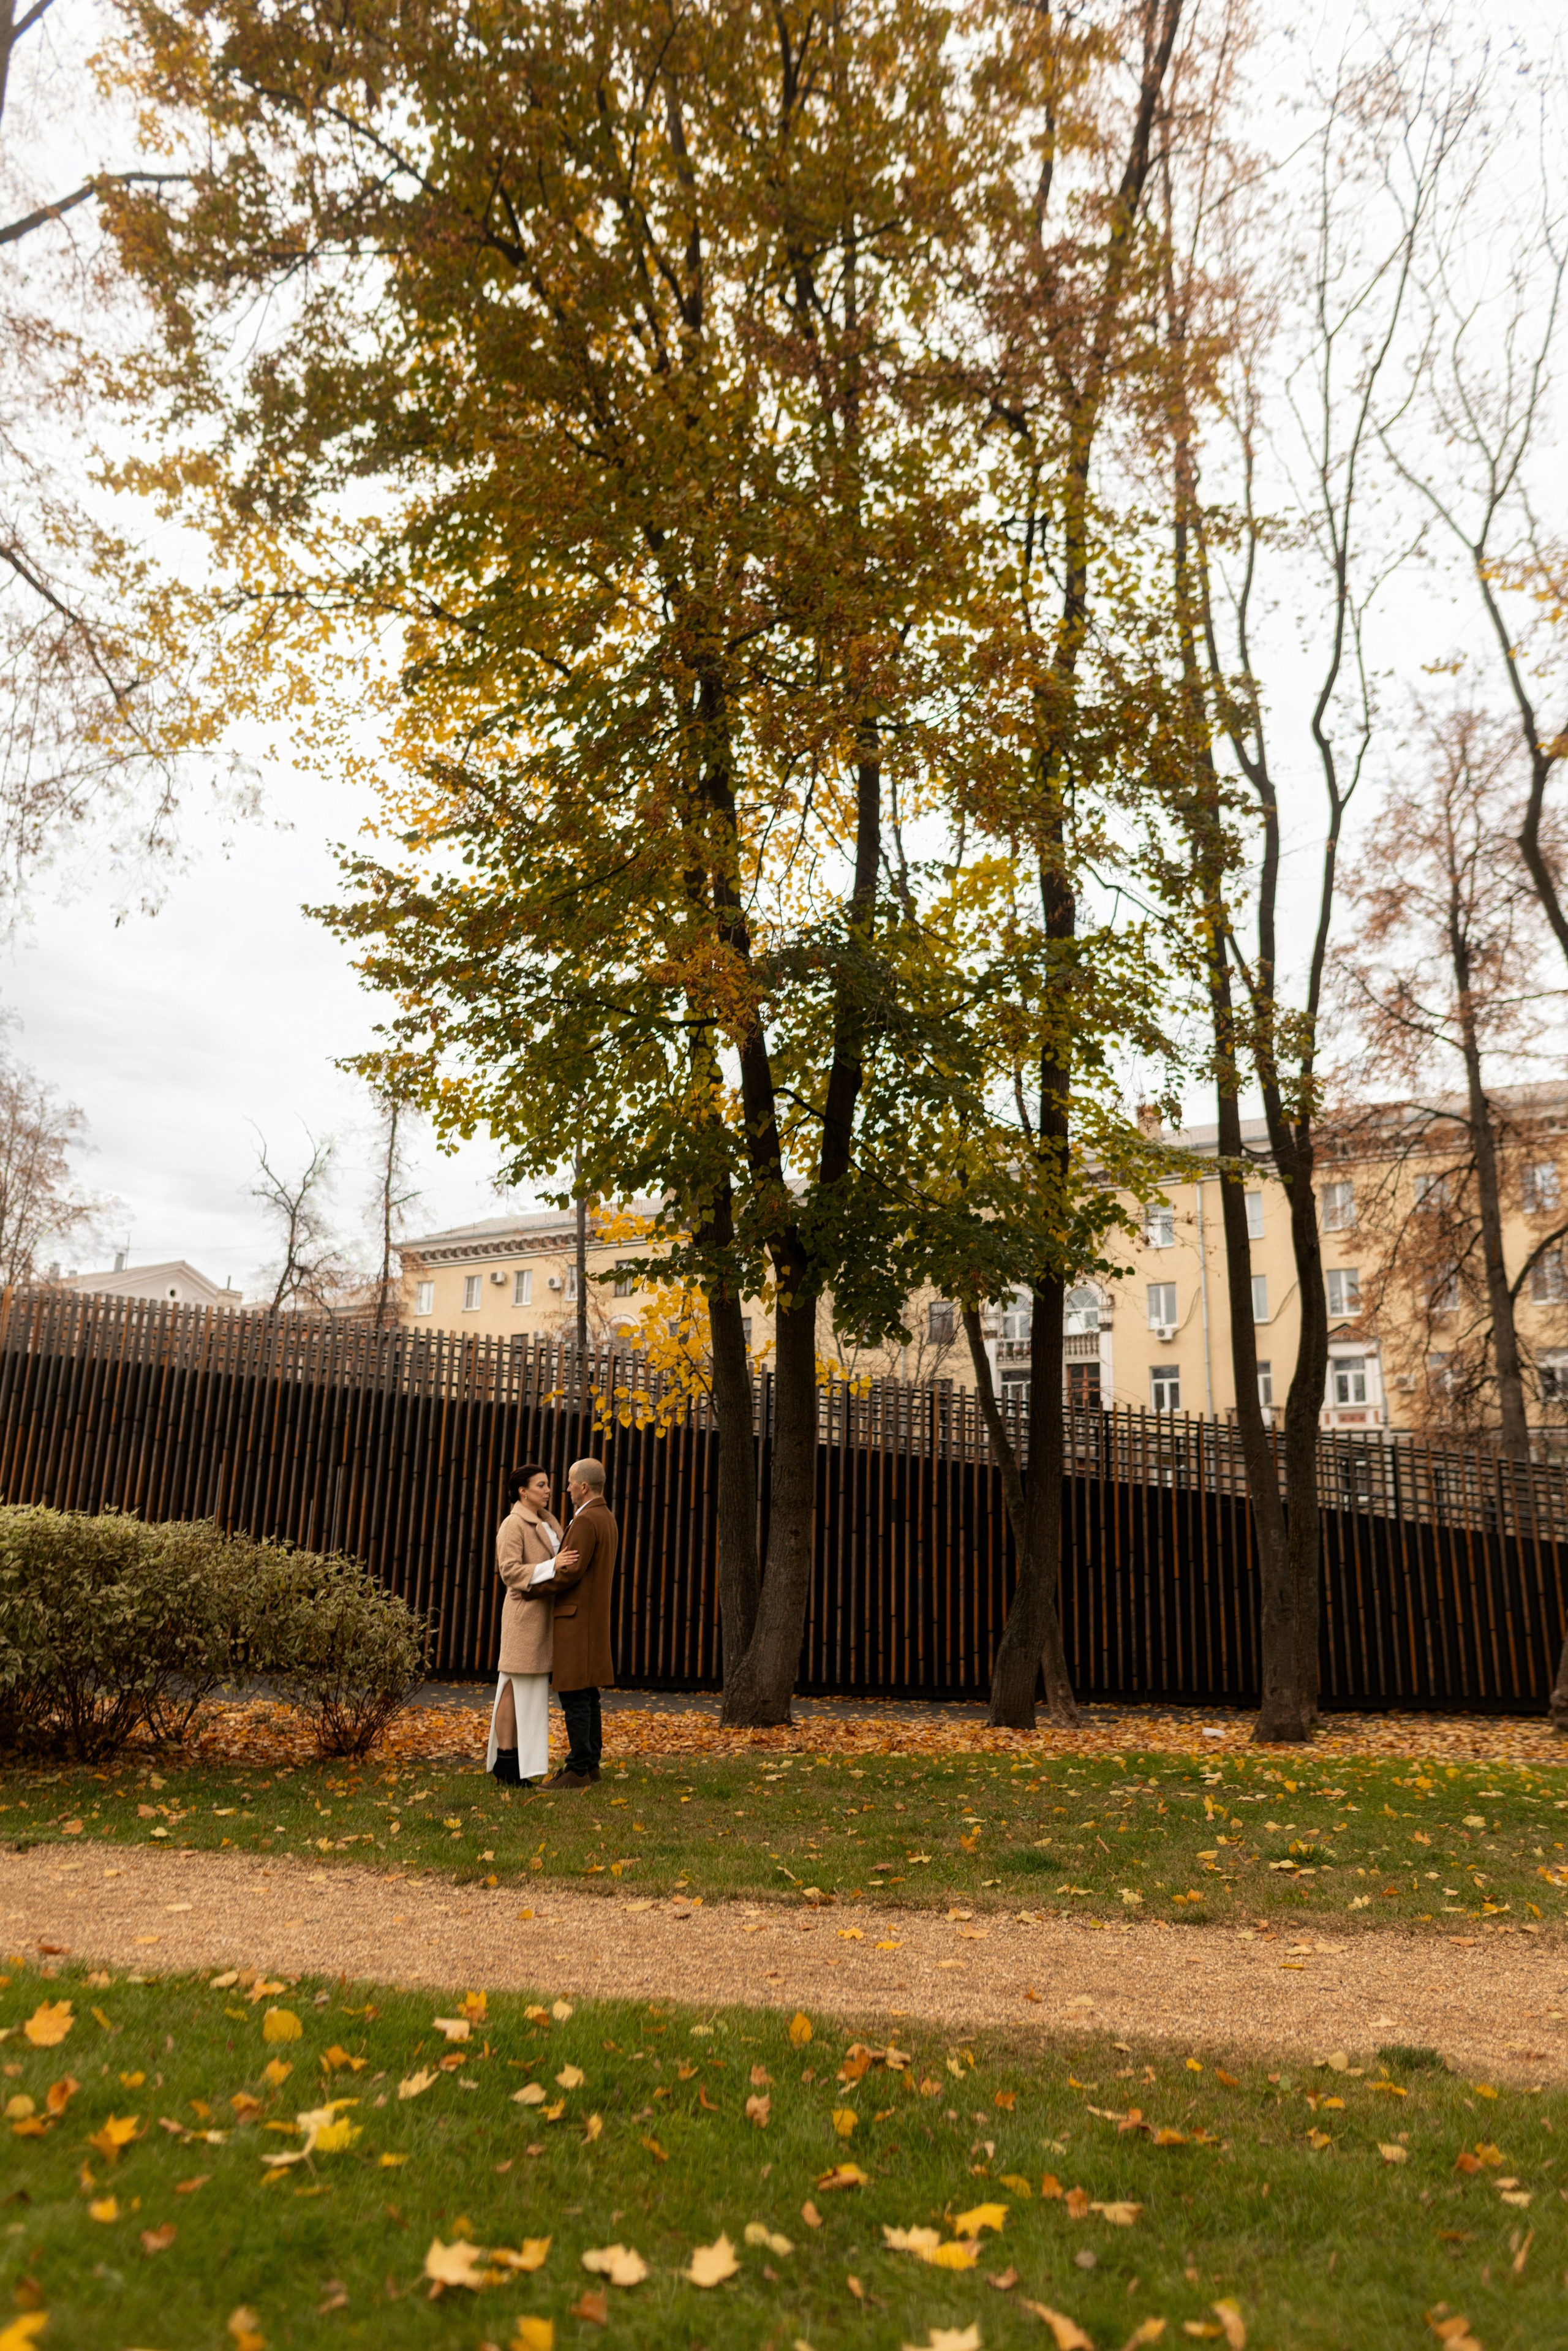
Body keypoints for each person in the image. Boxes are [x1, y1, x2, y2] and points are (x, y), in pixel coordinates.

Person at [487, 1462, 564, 1786]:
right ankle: (506, 1761)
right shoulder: (512, 1524)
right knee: (512, 1686)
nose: (548, 1490)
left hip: (543, 1616)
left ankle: (510, 1761)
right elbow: (509, 1571)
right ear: (523, 1491)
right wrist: (551, 1566)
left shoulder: (549, 1522)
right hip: (523, 1618)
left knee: (523, 1688)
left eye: (548, 1485)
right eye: (541, 1485)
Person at [544, 1455, 618, 1787]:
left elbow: (569, 1571)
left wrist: (531, 1586)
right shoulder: (607, 1517)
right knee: (588, 1695)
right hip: (591, 1619)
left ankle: (576, 1769)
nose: (567, 1488)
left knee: (574, 1695)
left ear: (584, 1486)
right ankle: (590, 1766)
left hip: (576, 1620)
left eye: (571, 1482)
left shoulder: (586, 1521)